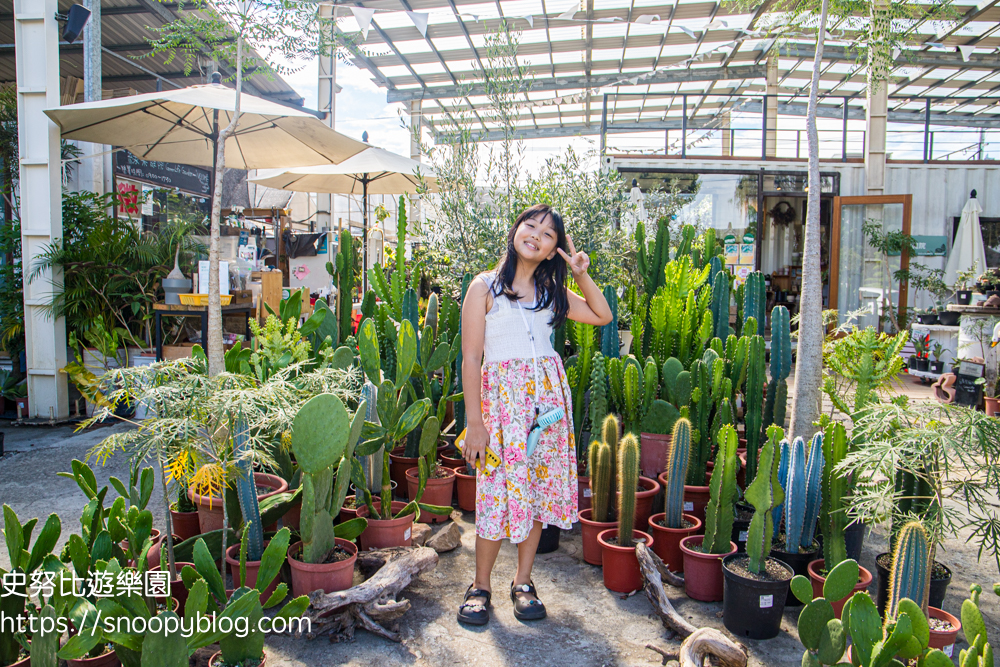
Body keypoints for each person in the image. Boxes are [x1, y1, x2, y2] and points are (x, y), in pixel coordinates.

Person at [457, 204, 613, 625]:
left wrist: (580, 271)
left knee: (538, 493)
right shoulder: (484, 287)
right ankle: (481, 586)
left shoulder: (551, 292)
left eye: (549, 234)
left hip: (546, 409)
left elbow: (603, 314)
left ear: (551, 251)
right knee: (494, 495)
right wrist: (475, 423)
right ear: (515, 232)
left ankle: (523, 582)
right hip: (501, 410)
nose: (537, 235)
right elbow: (472, 358)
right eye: (531, 225)